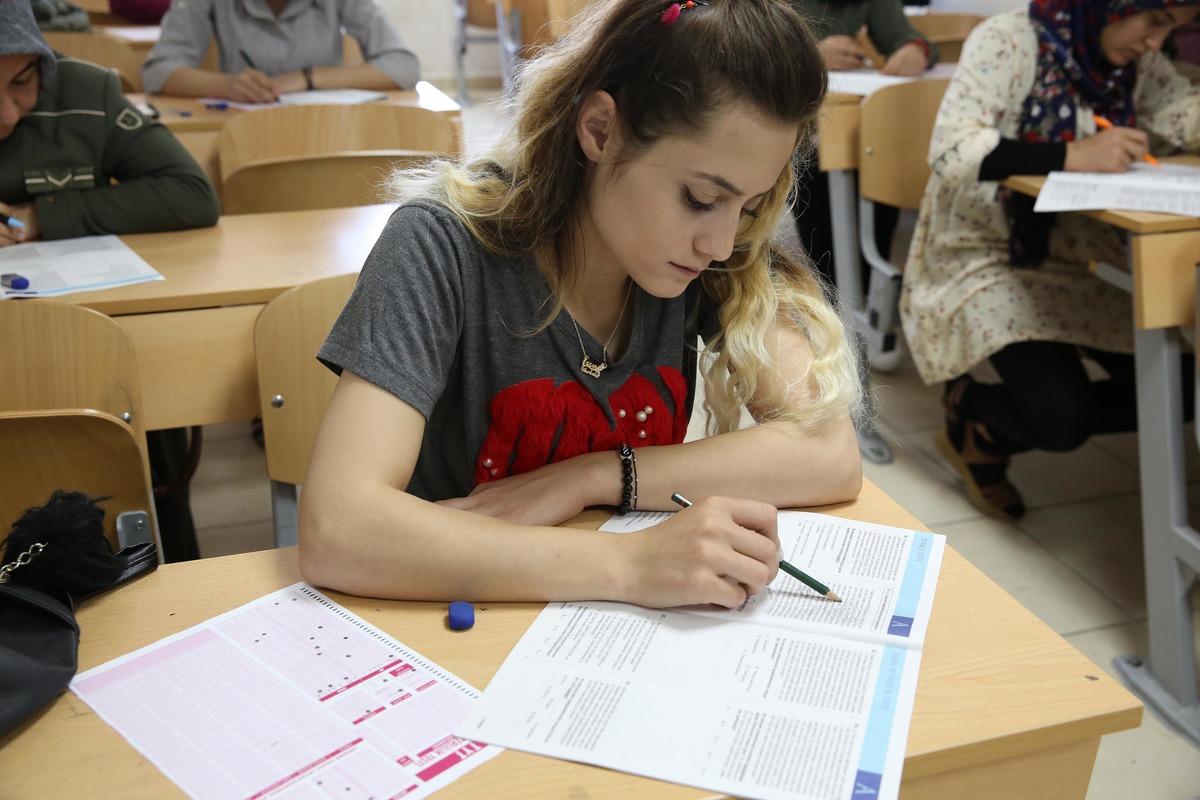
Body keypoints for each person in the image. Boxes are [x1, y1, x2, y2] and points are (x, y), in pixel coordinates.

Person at [299, 0, 863, 608]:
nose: (721, 242)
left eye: (749, 207)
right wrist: (629, 565)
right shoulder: (440, 244)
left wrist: (596, 475)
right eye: (700, 198)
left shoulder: (711, 259)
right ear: (600, 130)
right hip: (446, 621)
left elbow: (828, 451)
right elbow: (339, 528)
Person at [900, 0, 1200, 519]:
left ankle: (987, 433)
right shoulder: (1011, 40)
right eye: (1154, 22)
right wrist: (1071, 155)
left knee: (1181, 389)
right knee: (1063, 419)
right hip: (985, 250)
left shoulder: (1137, 66)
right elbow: (952, 150)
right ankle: (967, 409)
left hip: (1080, 256)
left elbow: (1181, 113)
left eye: (1171, 30)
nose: (1156, 43)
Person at [1, 1, 221, 561]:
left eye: (22, 82)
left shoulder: (87, 92)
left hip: (80, 338)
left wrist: (44, 216)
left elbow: (190, 195)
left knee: (146, 387)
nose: (7, 113)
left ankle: (169, 567)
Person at [789, 0, 940, 294]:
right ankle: (839, 296)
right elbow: (735, 50)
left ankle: (863, 298)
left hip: (850, 133)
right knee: (822, 211)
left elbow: (911, 40)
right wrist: (806, 54)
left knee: (880, 163)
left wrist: (914, 50)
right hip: (795, 129)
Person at [140, 0, 420, 103]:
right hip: (238, 130)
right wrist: (227, 85)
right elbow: (158, 71)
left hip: (325, 128)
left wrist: (309, 77)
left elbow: (403, 66)